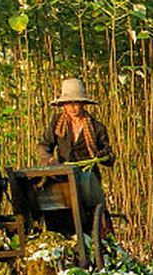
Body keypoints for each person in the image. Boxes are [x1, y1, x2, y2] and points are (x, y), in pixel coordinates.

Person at [38, 76, 114, 227]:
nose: (73, 108)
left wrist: (103, 156)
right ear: (63, 105)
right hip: (63, 176)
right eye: (69, 103)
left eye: (76, 103)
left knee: (91, 218)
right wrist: (51, 161)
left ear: (83, 104)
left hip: (87, 179)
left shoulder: (97, 128)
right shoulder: (57, 122)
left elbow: (110, 159)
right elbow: (43, 146)